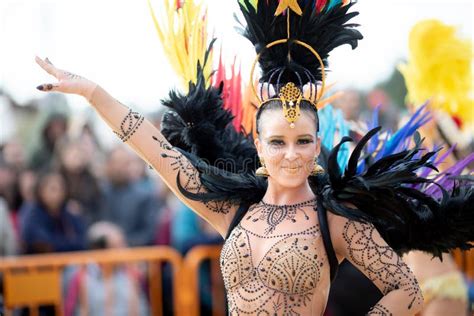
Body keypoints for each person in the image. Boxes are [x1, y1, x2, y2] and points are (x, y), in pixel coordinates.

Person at [34, 1, 474, 315]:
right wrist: (92, 93)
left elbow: (407, 290)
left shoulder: (334, 219)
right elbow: (154, 147)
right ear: (259, 146)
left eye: (303, 141)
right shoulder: (232, 209)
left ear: (317, 146)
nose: (291, 154)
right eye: (278, 142)